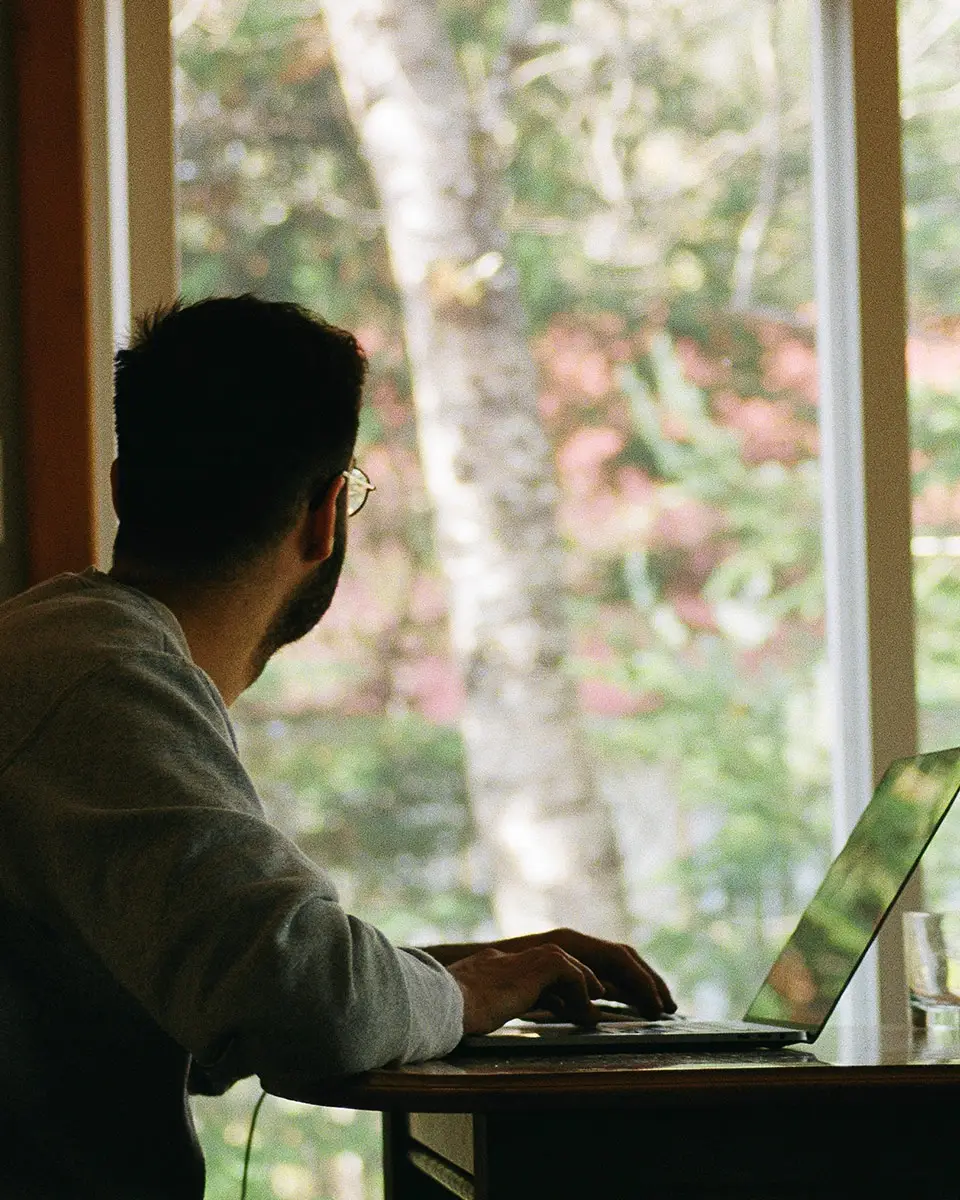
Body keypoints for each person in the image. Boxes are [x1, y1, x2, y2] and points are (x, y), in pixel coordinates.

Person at [0, 295, 673, 1196]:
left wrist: (442, 976)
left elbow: (195, 973)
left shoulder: (58, 653)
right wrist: (465, 999)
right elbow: (301, 1006)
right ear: (325, 517)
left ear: (123, 490)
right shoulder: (101, 680)